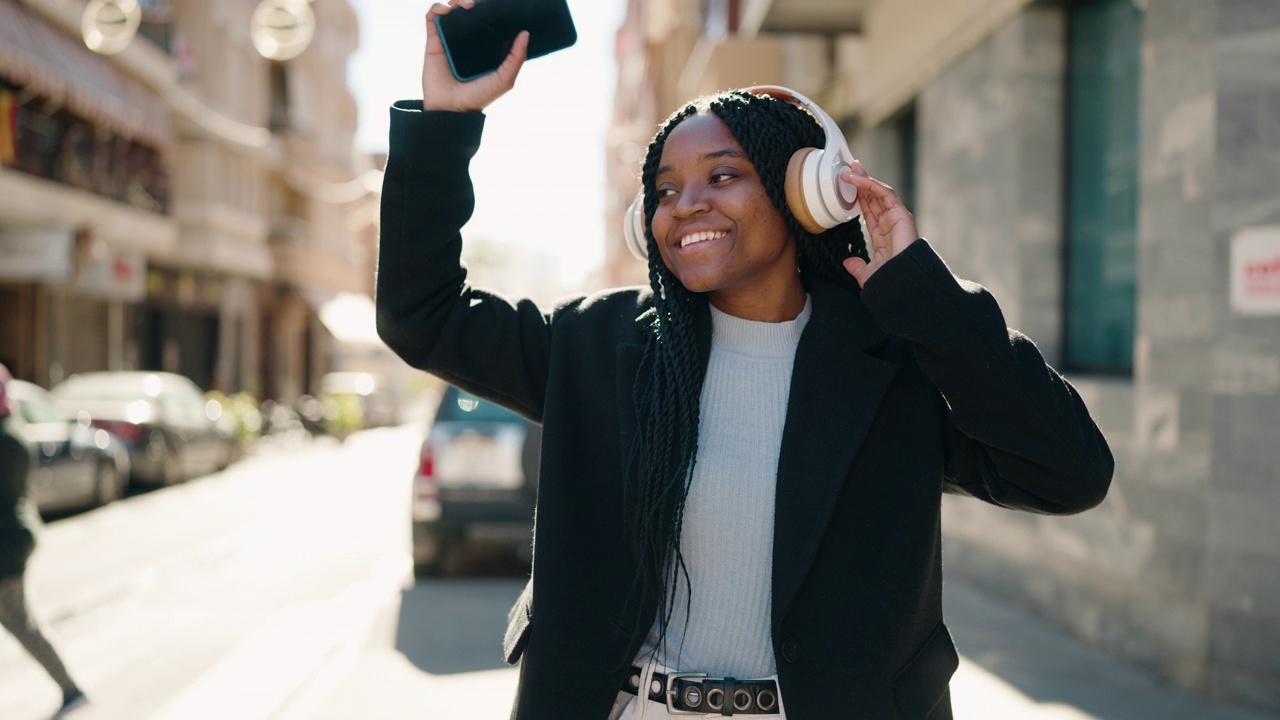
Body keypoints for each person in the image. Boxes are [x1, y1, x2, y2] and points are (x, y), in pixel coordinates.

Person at [376, 2, 1114, 717]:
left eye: (722, 176)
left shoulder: (892, 363)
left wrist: (925, 296)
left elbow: (1069, 472)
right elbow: (422, 316)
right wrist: (446, 124)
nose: (685, 203)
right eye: (665, 190)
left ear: (806, 198)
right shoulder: (596, 345)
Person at [0, 364, 90, 718]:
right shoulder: (13, 432)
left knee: (21, 622)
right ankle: (71, 687)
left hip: (5, 544)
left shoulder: (5, 441)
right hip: (14, 538)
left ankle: (71, 688)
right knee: (22, 621)